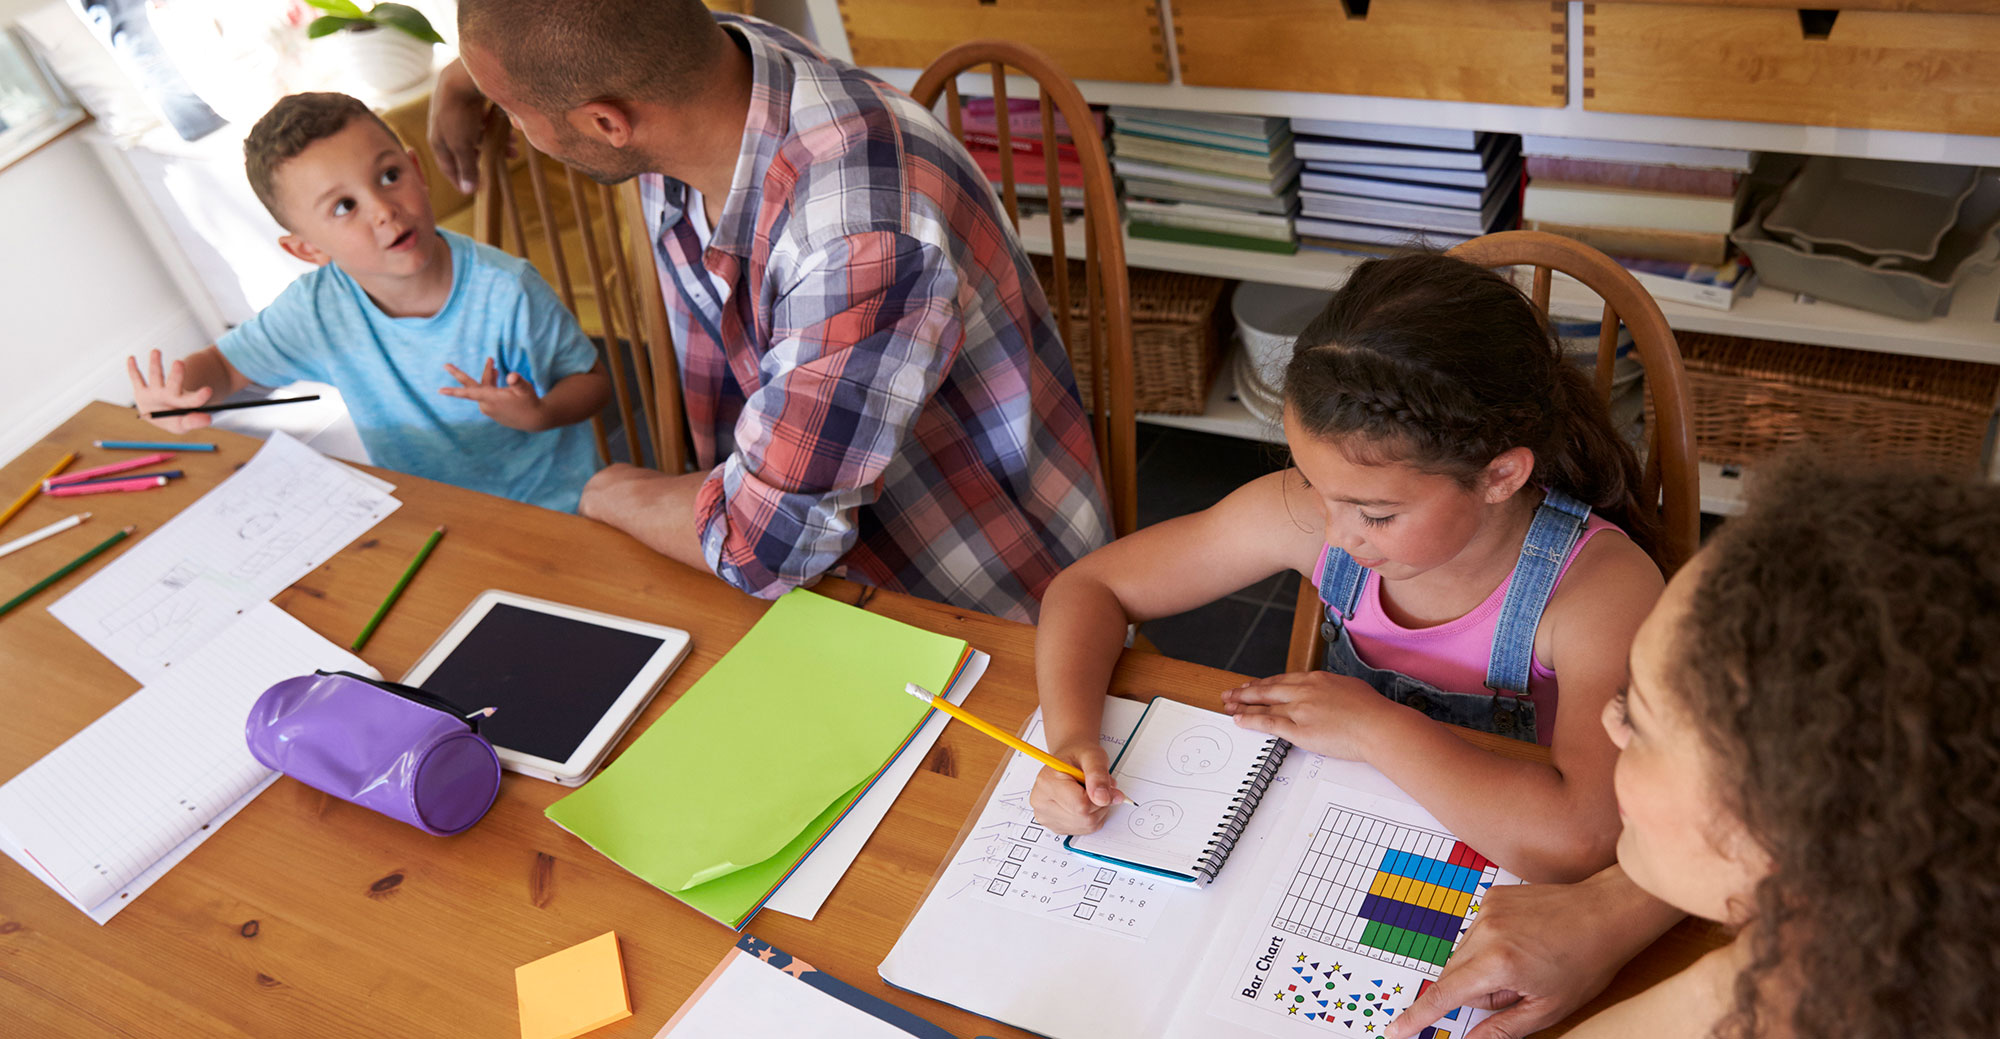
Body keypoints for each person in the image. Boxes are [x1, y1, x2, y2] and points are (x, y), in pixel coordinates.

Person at [425, 1, 1108, 622]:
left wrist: (600, 487)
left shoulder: (858, 240)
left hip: (975, 605)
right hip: (805, 558)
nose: (511, 124)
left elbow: (764, 549)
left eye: (513, 112)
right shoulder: (711, 63)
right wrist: (464, 78)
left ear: (609, 124)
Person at [1030, 252, 1664, 883]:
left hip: (1497, 869)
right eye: (1312, 483)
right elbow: (1090, 587)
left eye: (1377, 514)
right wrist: (1070, 739)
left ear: (1499, 475)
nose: (1334, 534)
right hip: (1336, 844)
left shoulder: (1596, 591)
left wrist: (1375, 730)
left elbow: (1584, 840)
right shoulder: (1314, 519)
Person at [1391, 458, 2000, 1039]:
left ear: (1792, 827)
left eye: (1643, 724)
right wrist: (1614, 917)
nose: (1610, 722)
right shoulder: (1834, 945)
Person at [127, 92, 610, 513]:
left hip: (554, 511)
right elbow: (224, 368)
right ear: (308, 250)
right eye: (344, 207)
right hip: (431, 519)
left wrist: (539, 413)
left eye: (389, 175)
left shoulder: (508, 291)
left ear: (417, 172)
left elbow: (592, 382)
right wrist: (177, 393)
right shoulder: (316, 311)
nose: (383, 210)